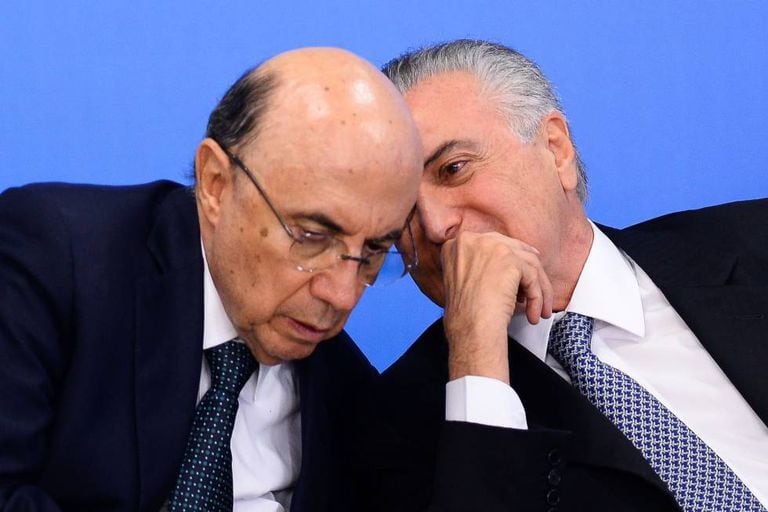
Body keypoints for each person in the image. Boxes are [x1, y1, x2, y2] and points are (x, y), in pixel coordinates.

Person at [352, 39, 768, 511]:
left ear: (556, 149)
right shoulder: (391, 426)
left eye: (453, 169)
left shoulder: (753, 242)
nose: (433, 225)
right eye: (401, 206)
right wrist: (477, 355)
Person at [0, 47, 423, 511]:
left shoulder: (347, 395)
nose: (342, 295)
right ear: (216, 184)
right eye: (312, 237)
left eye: (374, 252)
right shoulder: (57, 259)